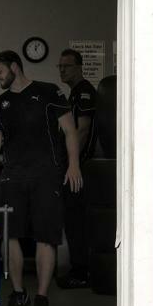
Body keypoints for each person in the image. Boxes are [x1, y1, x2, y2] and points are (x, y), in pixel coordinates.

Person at [0, 51, 82, 306]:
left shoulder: (49, 92)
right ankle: (19, 293)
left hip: (47, 175)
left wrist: (74, 165)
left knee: (47, 236)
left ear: (14, 67)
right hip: (13, 177)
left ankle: (42, 297)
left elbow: (70, 131)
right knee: (10, 236)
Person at [56, 48, 97, 290]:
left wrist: (72, 163)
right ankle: (78, 268)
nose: (62, 70)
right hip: (74, 165)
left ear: (79, 67)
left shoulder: (84, 92)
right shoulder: (72, 94)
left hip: (79, 168)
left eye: (67, 66)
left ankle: (81, 272)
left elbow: (82, 130)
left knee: (76, 221)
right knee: (71, 220)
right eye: (60, 66)